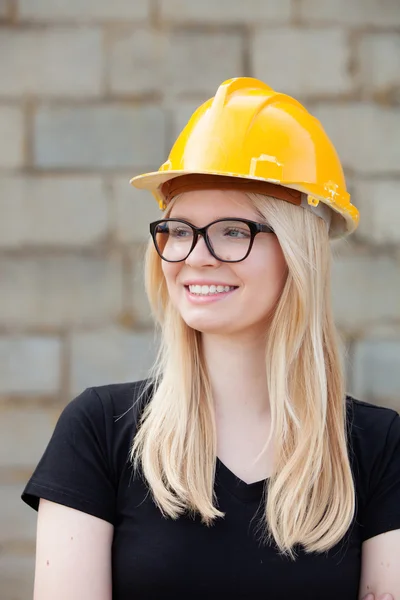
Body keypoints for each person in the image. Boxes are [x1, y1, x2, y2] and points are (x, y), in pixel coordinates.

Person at [22, 78, 399, 600]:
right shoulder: (98, 433)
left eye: (232, 231)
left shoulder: (379, 449)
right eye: (178, 231)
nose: (195, 255)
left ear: (298, 252)